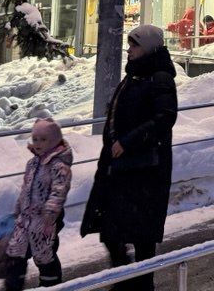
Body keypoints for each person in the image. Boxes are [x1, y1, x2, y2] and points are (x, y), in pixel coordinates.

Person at [82, 24, 178, 291]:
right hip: (124, 169)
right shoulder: (134, 76)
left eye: (134, 45)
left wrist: (128, 141)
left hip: (146, 171)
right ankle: (126, 281)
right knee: (113, 231)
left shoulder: (159, 78)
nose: (129, 50)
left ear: (148, 47)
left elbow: (165, 118)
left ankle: (139, 284)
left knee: (141, 238)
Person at [5, 117, 73, 290]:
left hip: (46, 220)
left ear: (54, 141)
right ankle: (13, 286)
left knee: (44, 256)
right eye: (35, 139)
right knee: (15, 252)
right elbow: (25, 189)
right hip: (26, 218)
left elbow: (59, 191)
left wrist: (50, 214)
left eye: (43, 139)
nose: (38, 143)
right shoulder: (32, 163)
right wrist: (18, 210)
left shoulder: (59, 165)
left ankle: (51, 285)